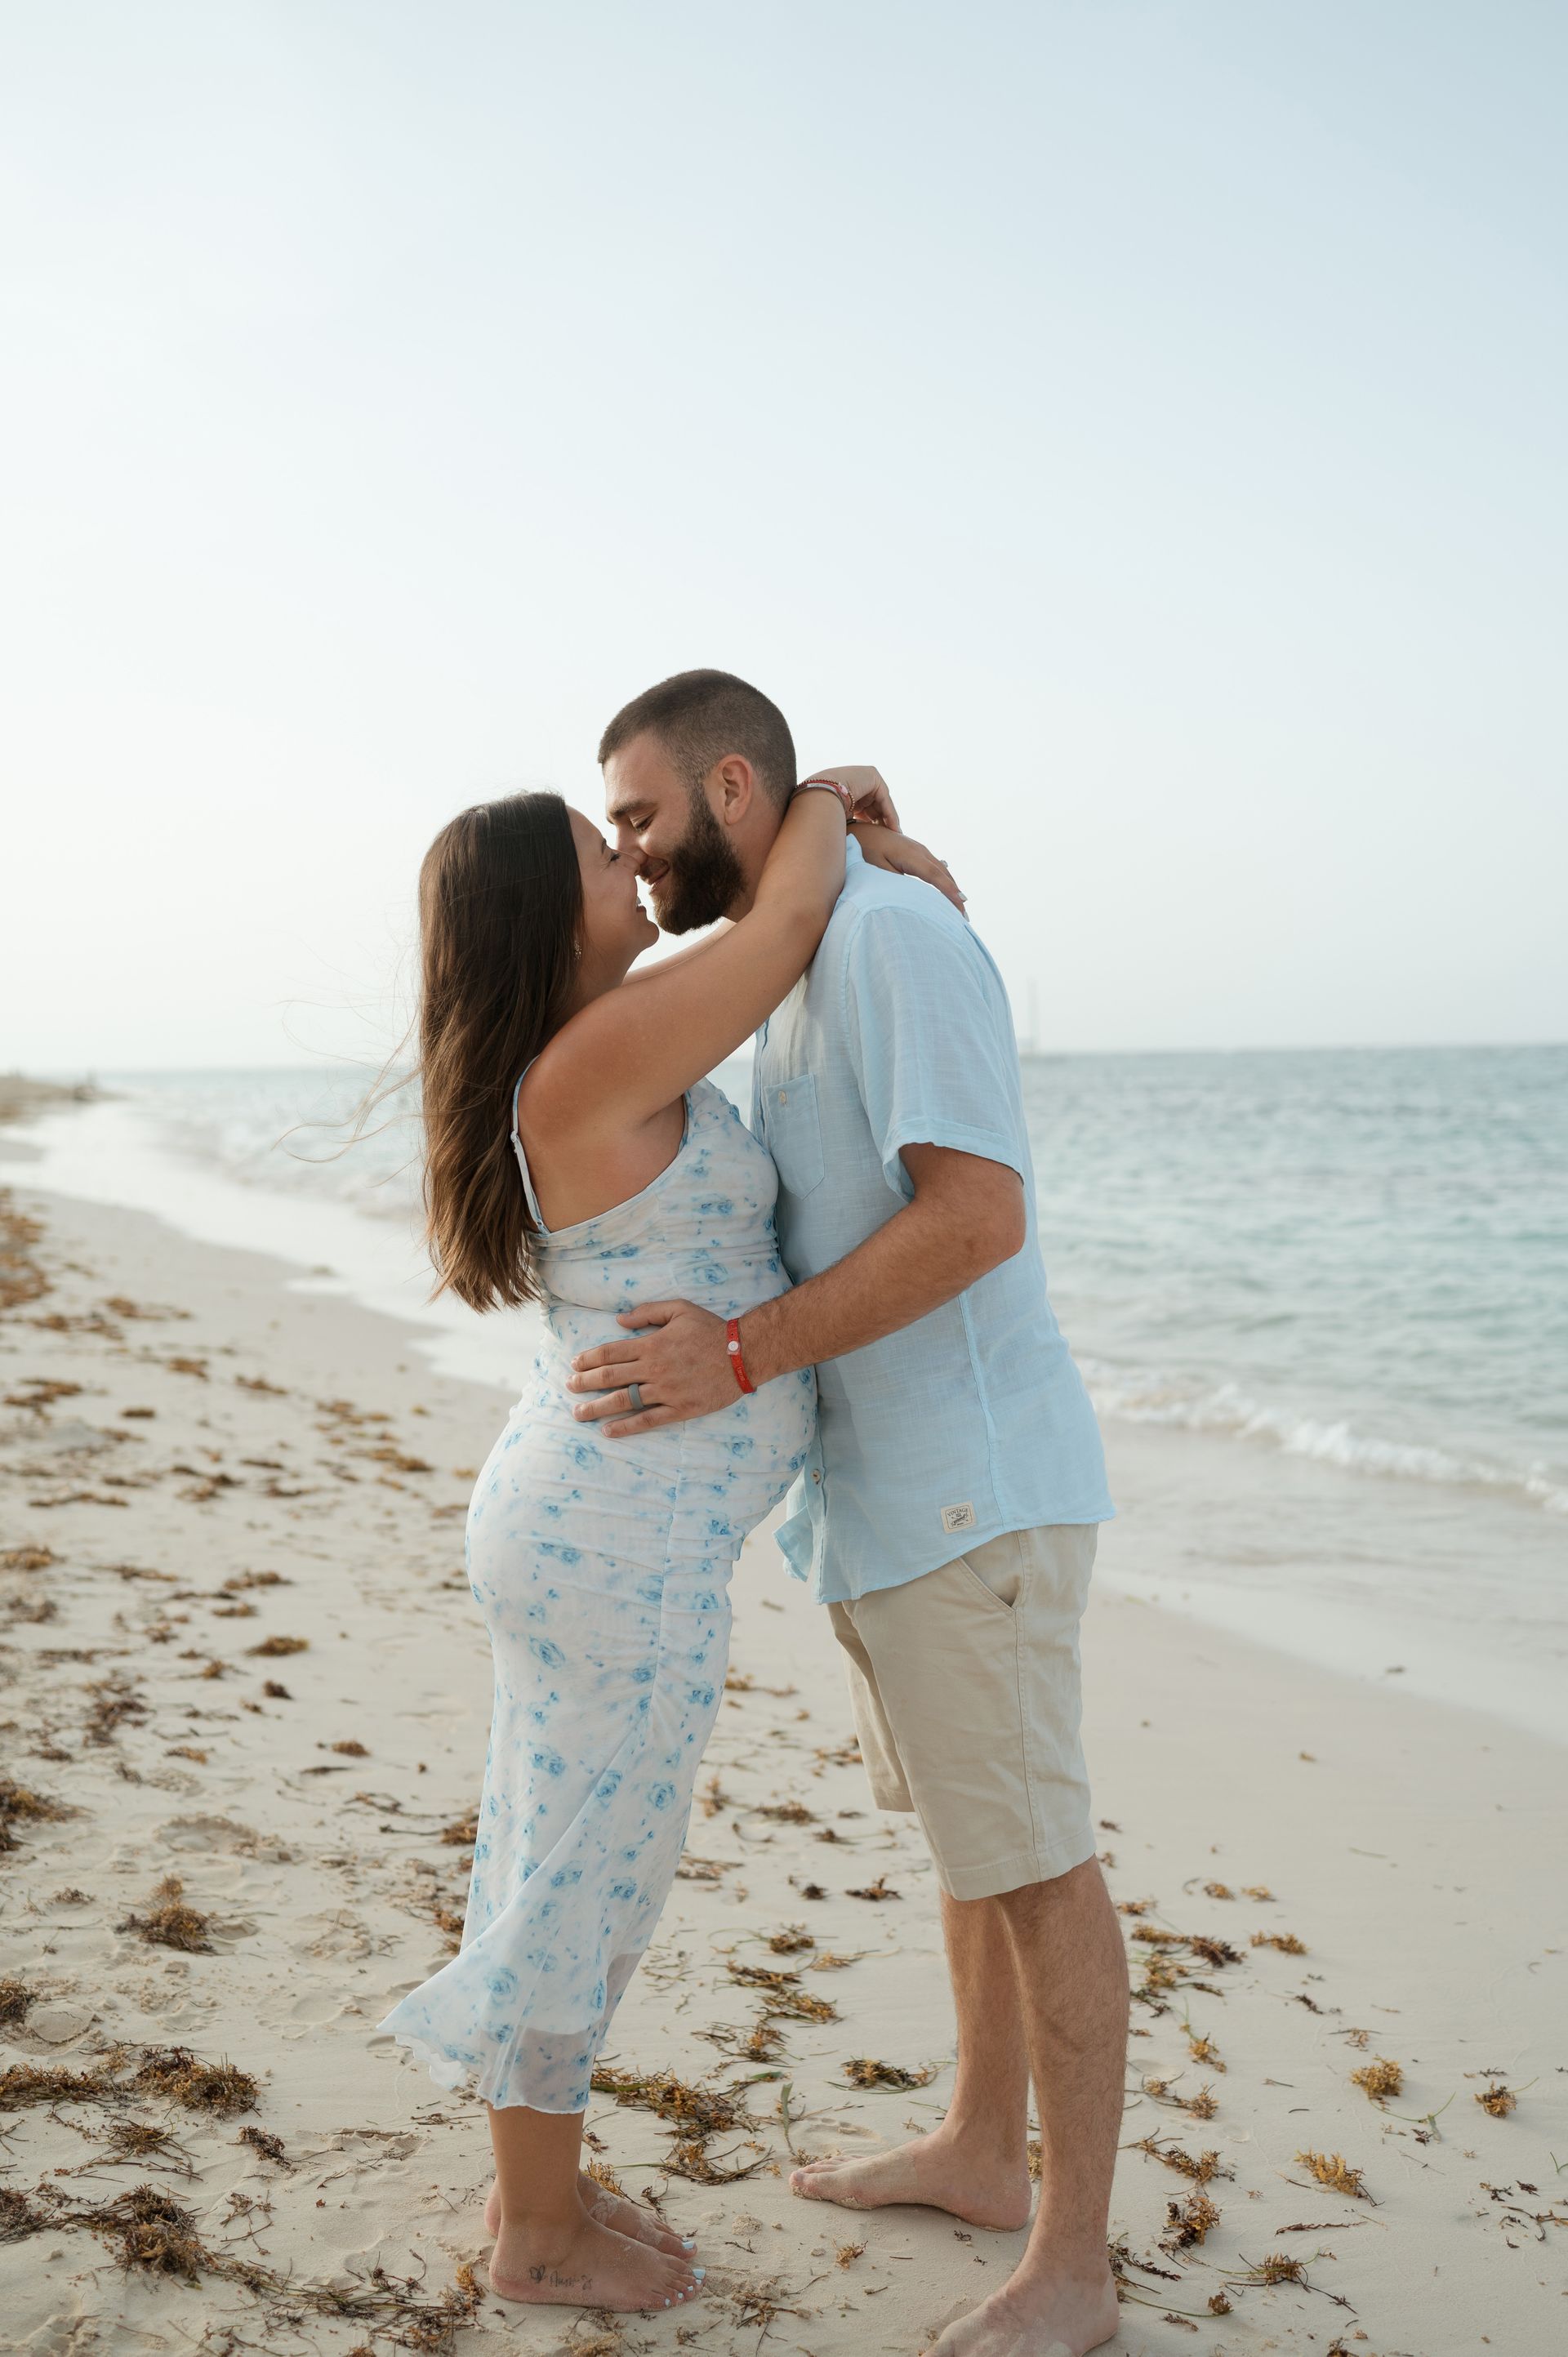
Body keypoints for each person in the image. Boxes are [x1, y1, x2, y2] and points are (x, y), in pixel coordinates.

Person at [375, 696, 959, 2315]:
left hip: (605, 1532)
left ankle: (538, 2183)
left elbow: (789, 942)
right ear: (530, 919)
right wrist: (827, 792)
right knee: (585, 1872)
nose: (628, 869)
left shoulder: (603, 1050)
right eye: (593, 853)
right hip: (612, 1544)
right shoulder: (590, 1058)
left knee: (564, 1859)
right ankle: (537, 2236)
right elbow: (781, 925)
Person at [570, 670, 1125, 2357]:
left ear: (735, 788)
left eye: (646, 818)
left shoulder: (891, 941)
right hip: (887, 1504)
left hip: (978, 1490)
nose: (633, 855)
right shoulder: (804, 936)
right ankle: (975, 2149)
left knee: (1038, 1868)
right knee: (978, 1841)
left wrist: (740, 1355)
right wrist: (833, 817)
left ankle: (1079, 2269)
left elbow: (975, 1222)